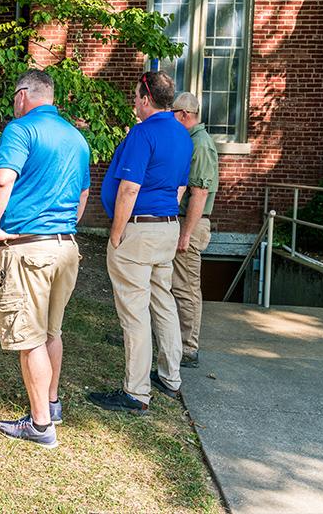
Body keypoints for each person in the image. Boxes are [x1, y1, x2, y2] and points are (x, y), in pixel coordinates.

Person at [0, 69, 91, 448]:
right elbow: (81, 197)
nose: (14, 102)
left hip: (29, 247)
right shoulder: (77, 138)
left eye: (15, 94)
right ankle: (52, 402)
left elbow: (0, 181)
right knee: (51, 331)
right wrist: (60, 227)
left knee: (29, 338)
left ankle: (41, 425)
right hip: (65, 246)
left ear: (25, 94)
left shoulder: (21, 129)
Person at [88, 71, 193, 415]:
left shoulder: (142, 133)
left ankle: (136, 391)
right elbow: (179, 189)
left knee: (134, 311)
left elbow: (129, 189)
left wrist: (117, 232)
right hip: (167, 227)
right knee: (163, 301)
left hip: (140, 230)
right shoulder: (183, 134)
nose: (133, 102)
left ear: (146, 98)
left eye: (135, 96)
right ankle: (170, 376)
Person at [171, 92, 219, 369]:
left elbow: (199, 193)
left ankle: (189, 348)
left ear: (184, 115)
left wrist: (185, 233)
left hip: (192, 223)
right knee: (176, 284)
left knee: (186, 288)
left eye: (174, 116)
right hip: (186, 222)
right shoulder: (191, 141)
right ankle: (176, 341)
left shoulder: (200, 144)